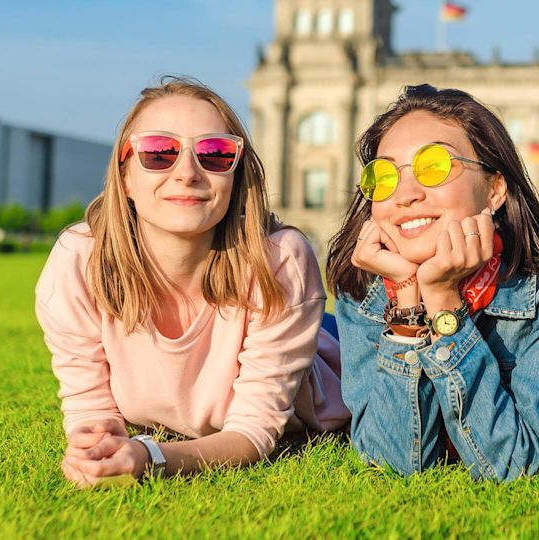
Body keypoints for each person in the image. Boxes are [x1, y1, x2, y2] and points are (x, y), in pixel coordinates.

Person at [325, 84, 539, 481]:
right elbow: (394, 461)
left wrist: (443, 301)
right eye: (383, 176)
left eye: (433, 167)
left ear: (494, 190)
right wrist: (406, 304)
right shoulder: (364, 282)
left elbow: (506, 461)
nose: (405, 194)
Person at [34, 77, 348, 488]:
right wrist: (97, 449)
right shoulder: (79, 260)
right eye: (158, 152)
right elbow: (90, 411)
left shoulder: (279, 261)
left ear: (236, 176)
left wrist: (153, 457)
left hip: (323, 348)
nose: (187, 173)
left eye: (215, 154)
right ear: (125, 176)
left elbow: (253, 431)